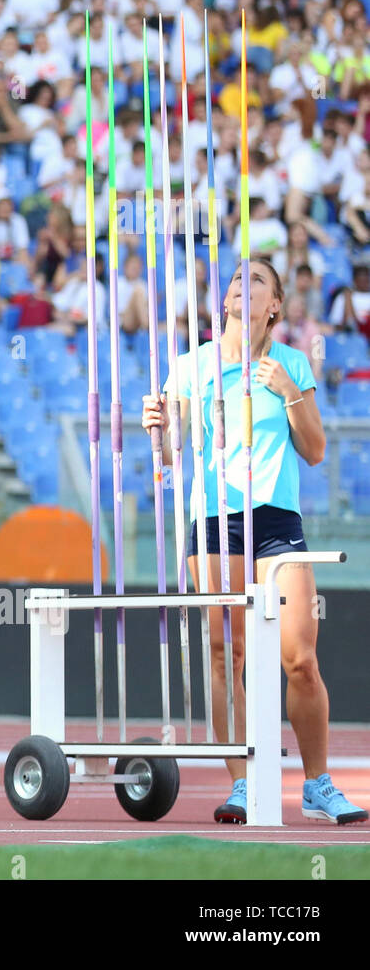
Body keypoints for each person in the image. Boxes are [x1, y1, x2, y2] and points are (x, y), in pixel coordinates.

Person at [141, 261, 367, 825]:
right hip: (215, 520)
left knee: (300, 658)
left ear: (275, 304)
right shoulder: (193, 366)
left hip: (276, 521)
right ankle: (243, 783)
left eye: (258, 279)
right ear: (224, 301)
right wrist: (158, 429)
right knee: (227, 655)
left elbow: (314, 451)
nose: (243, 283)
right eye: (236, 278)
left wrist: (290, 390)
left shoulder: (290, 363)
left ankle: (316, 784)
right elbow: (170, 458)